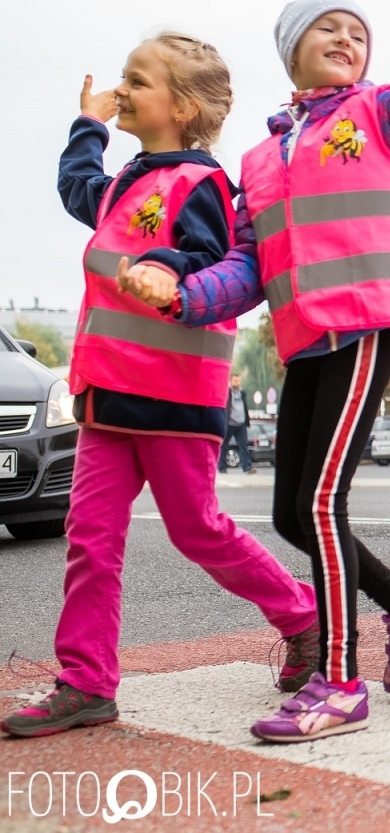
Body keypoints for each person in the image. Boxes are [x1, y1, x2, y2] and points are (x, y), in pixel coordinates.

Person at [126, 0, 390, 739]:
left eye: (358, 32)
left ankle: (340, 685)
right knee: (291, 512)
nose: (347, 39)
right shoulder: (261, 159)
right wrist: (182, 296)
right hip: (306, 338)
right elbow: (245, 266)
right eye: (329, 28)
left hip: (368, 322)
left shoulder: (384, 114)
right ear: (293, 50)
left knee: (321, 502)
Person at [4, 36, 318, 738]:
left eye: (136, 80)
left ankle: (302, 617)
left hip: (174, 395)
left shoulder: (201, 184)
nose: (122, 89)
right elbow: (78, 189)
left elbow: (211, 258)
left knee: (197, 530)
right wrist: (87, 125)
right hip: (106, 395)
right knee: (89, 539)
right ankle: (86, 683)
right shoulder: (125, 182)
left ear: (181, 109)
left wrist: (164, 264)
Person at [220, 372, 256, 474]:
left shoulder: (242, 392)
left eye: (239, 381)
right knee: (224, 445)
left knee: (243, 445)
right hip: (229, 423)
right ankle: (222, 467)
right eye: (235, 381)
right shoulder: (227, 391)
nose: (238, 383)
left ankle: (247, 467)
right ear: (230, 381)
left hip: (241, 424)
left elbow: (244, 406)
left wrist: (246, 420)